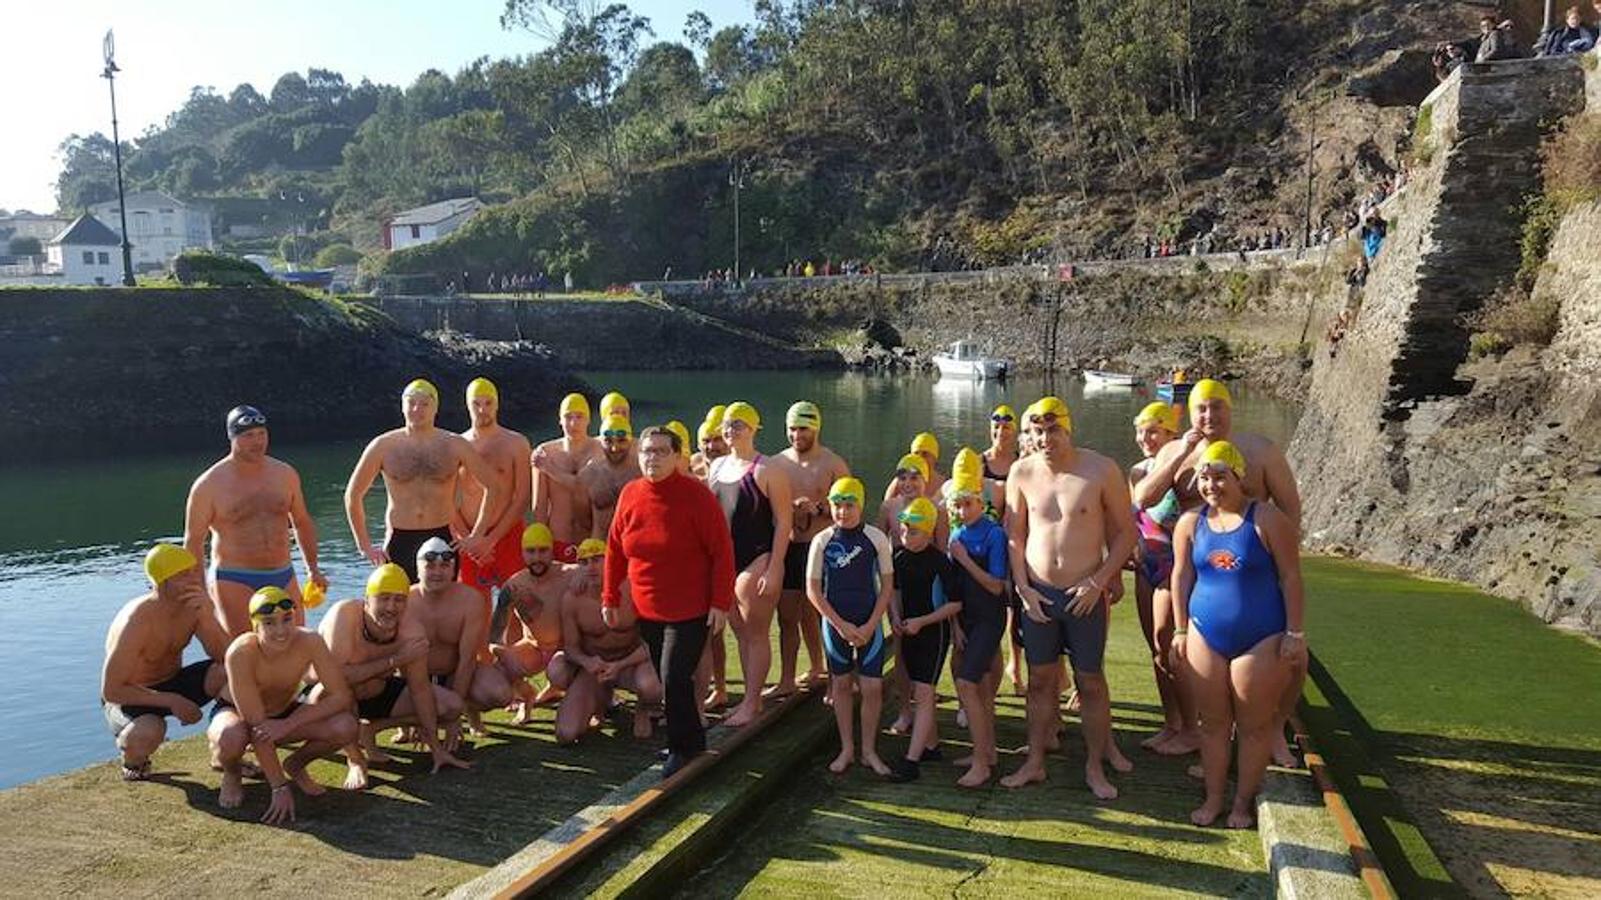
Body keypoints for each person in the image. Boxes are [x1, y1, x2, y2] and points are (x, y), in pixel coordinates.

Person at [1133, 378, 1303, 765]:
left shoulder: (1260, 450)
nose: (1209, 416)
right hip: (1192, 564)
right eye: (1201, 409)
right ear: (1189, 413)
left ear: (1230, 409)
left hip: (1249, 566)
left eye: (1217, 407)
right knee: (1166, 640)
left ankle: (1272, 729)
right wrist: (1182, 453)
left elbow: (1290, 509)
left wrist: (1283, 564)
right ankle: (1186, 726)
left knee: (1279, 651)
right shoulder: (1176, 450)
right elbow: (1143, 499)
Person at [1004, 397, 1137, 798]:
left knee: (1090, 680)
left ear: (1068, 429)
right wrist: (1023, 588)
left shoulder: (1100, 469)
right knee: (1039, 681)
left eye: (1052, 430)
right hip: (1039, 595)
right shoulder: (1021, 472)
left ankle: (1094, 766)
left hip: (1084, 593)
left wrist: (1100, 581)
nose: (1045, 439)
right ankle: (1035, 762)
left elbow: (1126, 533)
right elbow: (1015, 536)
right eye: (1037, 432)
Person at [1170, 442, 1306, 828]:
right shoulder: (1190, 523)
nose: (1211, 485)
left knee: (1253, 726)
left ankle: (1242, 804)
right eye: (1204, 478)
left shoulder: (1266, 520)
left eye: (1220, 477)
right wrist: (1180, 629)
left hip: (1261, 636)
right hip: (1204, 631)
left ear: (1238, 477)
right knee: (1212, 724)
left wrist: (1295, 632)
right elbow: (1181, 576)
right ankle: (1214, 798)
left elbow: (1291, 578)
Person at [604, 426, 734, 778]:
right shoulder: (631, 494)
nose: (653, 458)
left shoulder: (696, 496)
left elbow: (722, 551)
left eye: (662, 451)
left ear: (677, 456)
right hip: (648, 608)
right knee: (672, 678)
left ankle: (679, 748)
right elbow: (615, 548)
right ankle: (693, 740)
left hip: (691, 608)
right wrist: (610, 595)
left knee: (674, 676)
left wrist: (720, 602)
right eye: (647, 451)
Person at [208, 587, 358, 822]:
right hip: (235, 712)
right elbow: (257, 726)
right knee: (230, 737)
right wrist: (279, 787)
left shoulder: (310, 641)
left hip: (284, 711)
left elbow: (341, 697)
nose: (281, 630)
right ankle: (232, 772)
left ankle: (295, 764)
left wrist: (288, 724)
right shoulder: (240, 653)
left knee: (345, 726)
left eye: (287, 619)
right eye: (269, 623)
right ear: (255, 627)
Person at [319, 564, 471, 789]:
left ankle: (369, 729)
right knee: (333, 693)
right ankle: (356, 760)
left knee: (451, 706)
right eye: (383, 599)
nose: (391, 607)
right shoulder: (344, 616)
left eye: (399, 600)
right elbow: (335, 678)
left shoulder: (411, 631)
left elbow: (420, 690)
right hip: (327, 697)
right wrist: (395, 661)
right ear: (367, 600)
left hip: (377, 690)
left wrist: (436, 748)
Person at [184, 406, 325, 635]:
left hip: (283, 572)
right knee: (244, 646)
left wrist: (313, 569)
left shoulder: (285, 474)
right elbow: (193, 542)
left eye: (261, 433)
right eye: (248, 435)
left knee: (296, 643)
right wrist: (200, 590)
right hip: (234, 577)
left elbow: (301, 522)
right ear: (232, 437)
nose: (257, 441)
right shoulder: (209, 485)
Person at [345, 380, 502, 583]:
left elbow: (493, 487)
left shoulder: (455, 444)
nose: (416, 409)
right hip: (399, 539)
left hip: (442, 535)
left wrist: (477, 535)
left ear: (435, 408)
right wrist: (364, 545)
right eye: (411, 403)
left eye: (424, 404)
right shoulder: (383, 446)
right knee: (399, 601)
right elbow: (353, 495)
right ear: (402, 406)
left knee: (443, 600)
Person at [101, 544, 232, 781]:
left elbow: (227, 657)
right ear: (162, 582)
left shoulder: (192, 606)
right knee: (148, 732)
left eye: (193, 572)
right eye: (183, 575)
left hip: (173, 681)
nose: (193, 580)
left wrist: (208, 615)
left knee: (232, 673)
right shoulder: (136, 620)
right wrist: (172, 700)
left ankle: (225, 749)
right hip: (132, 696)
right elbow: (111, 690)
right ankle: (133, 761)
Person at [707, 402, 793, 727]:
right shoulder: (717, 467)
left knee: (755, 633)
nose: (731, 430)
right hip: (724, 560)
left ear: (754, 429)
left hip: (757, 557)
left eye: (739, 424)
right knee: (738, 630)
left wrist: (775, 566)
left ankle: (752, 702)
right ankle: (749, 699)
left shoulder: (767, 470)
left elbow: (784, 522)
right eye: (728, 424)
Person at [806, 477, 896, 775]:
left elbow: (886, 587)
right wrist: (840, 624)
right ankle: (846, 748)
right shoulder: (822, 540)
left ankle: (868, 750)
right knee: (842, 685)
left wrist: (872, 624)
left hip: (868, 621)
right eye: (837, 505)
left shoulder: (875, 538)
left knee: (872, 687)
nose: (842, 512)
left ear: (861, 506)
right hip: (836, 624)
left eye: (849, 505)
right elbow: (813, 590)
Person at [1128, 402, 1197, 756]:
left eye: (1154, 431)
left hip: (1174, 567)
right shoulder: (1137, 471)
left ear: (1172, 433)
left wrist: (1181, 451)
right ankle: (1171, 723)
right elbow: (1133, 516)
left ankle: (1192, 727)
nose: (1145, 438)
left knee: (1170, 645)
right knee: (1155, 648)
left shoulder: (1185, 469)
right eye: (1141, 432)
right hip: (1146, 565)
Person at [548, 539, 663, 742]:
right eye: (584, 562)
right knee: (566, 734)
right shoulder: (572, 599)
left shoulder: (632, 588)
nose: (591, 567)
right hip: (596, 669)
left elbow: (654, 642)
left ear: (609, 561)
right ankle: (601, 700)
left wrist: (621, 665)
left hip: (632, 664)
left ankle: (644, 707)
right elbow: (571, 648)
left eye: (596, 560)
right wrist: (588, 662)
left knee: (652, 687)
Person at [772, 401, 851, 698]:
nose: (796, 435)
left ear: (815, 428)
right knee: (787, 617)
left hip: (824, 550)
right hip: (790, 549)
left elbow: (851, 508)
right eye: (792, 429)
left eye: (803, 429)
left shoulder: (833, 464)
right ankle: (787, 679)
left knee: (824, 617)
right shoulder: (776, 464)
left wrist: (818, 509)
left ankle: (834, 679)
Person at [887, 497, 963, 782]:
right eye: (904, 528)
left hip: (933, 633)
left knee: (924, 693)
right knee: (918, 691)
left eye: (913, 530)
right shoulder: (898, 557)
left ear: (929, 531)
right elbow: (893, 590)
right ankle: (930, 746)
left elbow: (955, 604)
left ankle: (911, 761)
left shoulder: (939, 561)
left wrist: (923, 621)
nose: (906, 534)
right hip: (908, 631)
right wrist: (895, 616)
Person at [945, 465, 1009, 788]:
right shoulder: (956, 536)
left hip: (989, 618)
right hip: (967, 619)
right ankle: (986, 752)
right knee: (980, 687)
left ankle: (981, 765)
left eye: (968, 504)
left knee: (966, 684)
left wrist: (965, 559)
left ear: (981, 504)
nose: (962, 511)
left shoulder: (993, 534)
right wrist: (955, 626)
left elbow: (996, 586)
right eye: (957, 505)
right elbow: (954, 589)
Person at [410, 537, 511, 733]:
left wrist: (453, 712)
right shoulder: (405, 602)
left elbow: (467, 659)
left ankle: (469, 710)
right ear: (417, 569)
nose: (438, 572)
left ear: (453, 570)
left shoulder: (470, 600)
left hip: (454, 673)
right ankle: (407, 723)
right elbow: (402, 661)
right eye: (430, 566)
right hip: (417, 677)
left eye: (444, 566)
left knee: (500, 693)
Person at [456, 378, 533, 598]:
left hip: (507, 534)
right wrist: (470, 540)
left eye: (488, 403)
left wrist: (491, 540)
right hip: (468, 537)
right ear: (467, 405)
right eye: (476, 403)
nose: (482, 410)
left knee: (517, 602)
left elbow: (523, 497)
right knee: (472, 606)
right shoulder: (456, 445)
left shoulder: (516, 443)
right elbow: (446, 500)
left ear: (497, 404)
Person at [490, 523, 575, 721]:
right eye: (531, 551)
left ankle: (588, 700)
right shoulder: (513, 586)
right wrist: (503, 655)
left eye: (543, 551)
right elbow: (494, 635)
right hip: (534, 648)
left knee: (559, 672)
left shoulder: (571, 575)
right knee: (499, 667)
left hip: (567, 649)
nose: (537, 558)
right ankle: (526, 697)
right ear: (522, 553)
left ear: (552, 550)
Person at [532, 393, 601, 562]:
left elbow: (585, 487)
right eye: (568, 417)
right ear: (560, 420)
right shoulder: (545, 452)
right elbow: (539, 507)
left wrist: (550, 469)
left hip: (591, 542)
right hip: (558, 540)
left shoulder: (599, 451)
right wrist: (541, 545)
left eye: (579, 417)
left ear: (588, 420)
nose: (573, 423)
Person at [576, 415, 641, 540]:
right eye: (608, 441)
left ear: (631, 441)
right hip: (600, 546)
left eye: (621, 441)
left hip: (633, 544)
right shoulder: (588, 475)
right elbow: (582, 520)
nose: (614, 448)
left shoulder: (641, 473)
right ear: (600, 442)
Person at [882, 433, 947, 503]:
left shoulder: (944, 485)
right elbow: (886, 505)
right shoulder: (901, 481)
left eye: (925, 454)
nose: (920, 458)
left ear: (935, 458)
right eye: (916, 453)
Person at [690, 406, 728, 482]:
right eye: (706, 441)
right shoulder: (692, 466)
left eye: (717, 440)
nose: (711, 446)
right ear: (699, 446)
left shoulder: (743, 471)